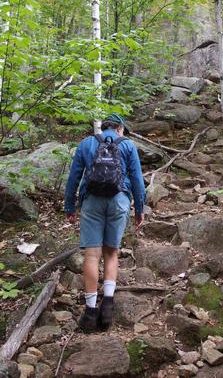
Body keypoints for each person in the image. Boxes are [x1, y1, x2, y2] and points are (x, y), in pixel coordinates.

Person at [64, 113, 146, 332]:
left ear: (103, 127)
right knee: (111, 252)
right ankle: (107, 306)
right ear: (119, 128)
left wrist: (69, 207)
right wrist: (140, 209)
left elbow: (74, 177)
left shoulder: (87, 143)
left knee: (92, 255)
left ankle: (90, 313)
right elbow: (137, 179)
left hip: (91, 202)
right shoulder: (128, 145)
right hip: (119, 200)